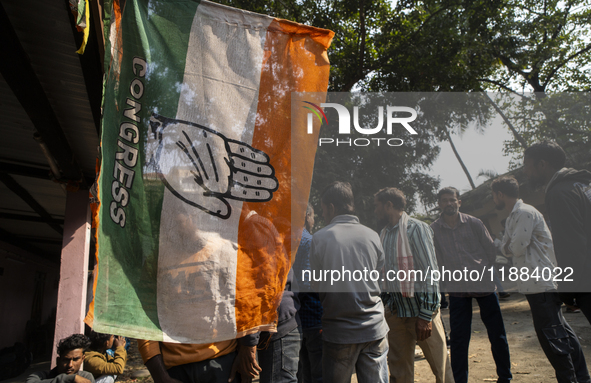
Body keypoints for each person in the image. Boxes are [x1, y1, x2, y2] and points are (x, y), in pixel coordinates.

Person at [491, 176, 590, 383]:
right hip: (534, 284)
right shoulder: (513, 216)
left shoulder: (524, 213)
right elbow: (510, 247)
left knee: (551, 338)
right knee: (561, 332)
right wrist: (507, 246)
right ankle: (581, 377)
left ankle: (570, 379)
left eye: (494, 196)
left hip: (541, 283)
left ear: (500, 194)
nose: (494, 200)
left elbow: (515, 247)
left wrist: (505, 246)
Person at [431, 187, 512, 383]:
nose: (449, 203)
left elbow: (490, 250)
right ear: (439, 204)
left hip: (484, 286)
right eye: (445, 200)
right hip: (457, 291)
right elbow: (437, 259)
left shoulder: (474, 223)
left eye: (452, 200)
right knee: (459, 340)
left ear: (459, 202)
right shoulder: (433, 230)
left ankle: (505, 377)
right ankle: (460, 380)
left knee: (497, 335)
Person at [310, 181, 389, 383]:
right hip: (375, 329)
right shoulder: (373, 236)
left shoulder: (319, 238)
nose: (323, 215)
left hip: (339, 333)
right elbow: (378, 277)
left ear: (331, 208)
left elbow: (316, 286)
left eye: (323, 210)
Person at [374, 187, 453, 383]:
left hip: (421, 312)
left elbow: (430, 272)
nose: (375, 211)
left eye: (377, 206)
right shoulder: (383, 234)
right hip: (396, 313)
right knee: (400, 373)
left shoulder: (417, 228)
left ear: (389, 205)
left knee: (441, 369)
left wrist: (426, 316)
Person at [523, 140, 591, 323]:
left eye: (527, 166)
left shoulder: (559, 193)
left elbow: (572, 245)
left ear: (542, 165)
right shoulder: (583, 186)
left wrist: (567, 290)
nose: (526, 172)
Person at [292, 204, 323, 383]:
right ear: (306, 216)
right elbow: (307, 282)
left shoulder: (288, 238)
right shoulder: (308, 240)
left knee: (302, 372)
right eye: (313, 217)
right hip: (312, 316)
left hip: (294, 319)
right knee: (318, 373)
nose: (314, 221)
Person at [27, 334, 95, 383]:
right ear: (58, 361)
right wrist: (69, 379)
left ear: (82, 359)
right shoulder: (40, 376)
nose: (70, 365)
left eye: (75, 359)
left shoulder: (86, 377)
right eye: (66, 360)